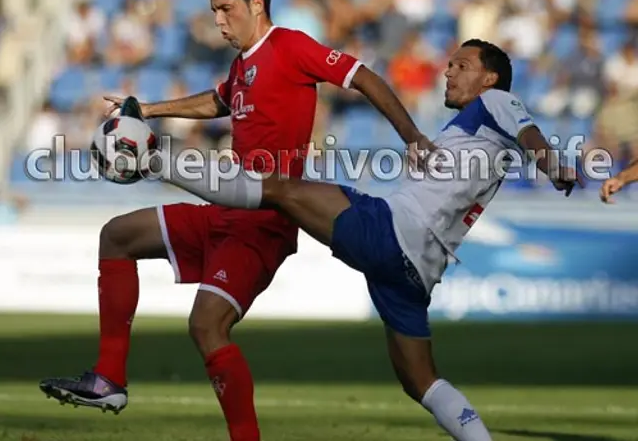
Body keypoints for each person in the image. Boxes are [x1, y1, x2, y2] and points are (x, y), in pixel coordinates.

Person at [39, 0, 430, 441]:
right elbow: (219, 101)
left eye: (226, 10)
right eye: (213, 11)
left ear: (257, 5)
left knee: (206, 326)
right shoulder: (243, 63)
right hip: (224, 208)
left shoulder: (289, 45)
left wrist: (411, 136)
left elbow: (363, 76)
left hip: (265, 221)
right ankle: (107, 380)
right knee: (117, 236)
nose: (218, 22)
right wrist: (149, 109)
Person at [159, 40, 582, 441]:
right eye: (449, 64)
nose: (448, 72)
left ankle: (153, 158)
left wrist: (552, 163)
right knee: (420, 381)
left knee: (281, 189)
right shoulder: (477, 130)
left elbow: (531, 136)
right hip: (416, 272)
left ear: (489, 79)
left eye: (462, 66)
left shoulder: (496, 101)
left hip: (393, 231)